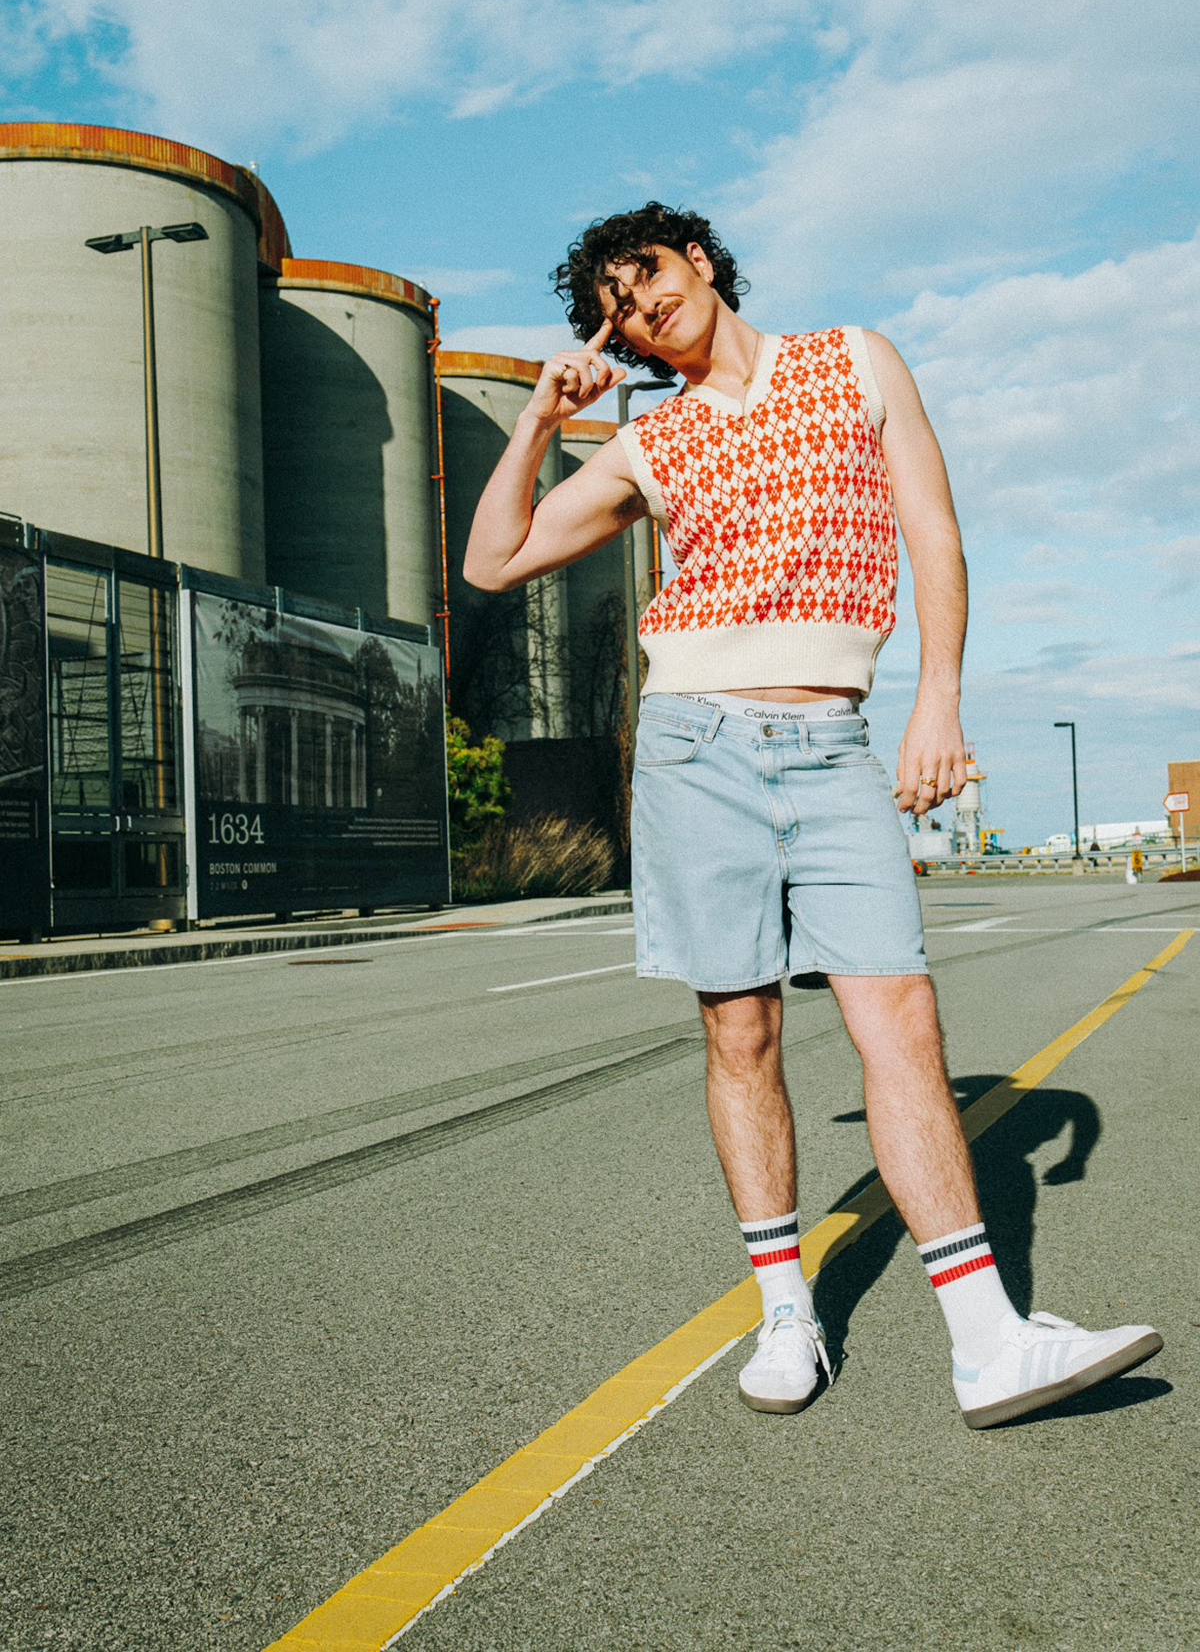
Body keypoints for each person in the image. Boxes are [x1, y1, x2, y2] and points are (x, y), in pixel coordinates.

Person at [463, 202, 1161, 1427]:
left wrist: (938, 699)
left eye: (649, 275)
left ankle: (987, 1343)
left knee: (903, 1020)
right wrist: (538, 421)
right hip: (696, 748)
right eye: (618, 309)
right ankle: (786, 1314)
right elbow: (491, 561)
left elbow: (932, 532)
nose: (643, 306)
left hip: (833, 745)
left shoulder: (857, 361)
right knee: (741, 1034)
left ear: (699, 261)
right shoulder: (650, 441)